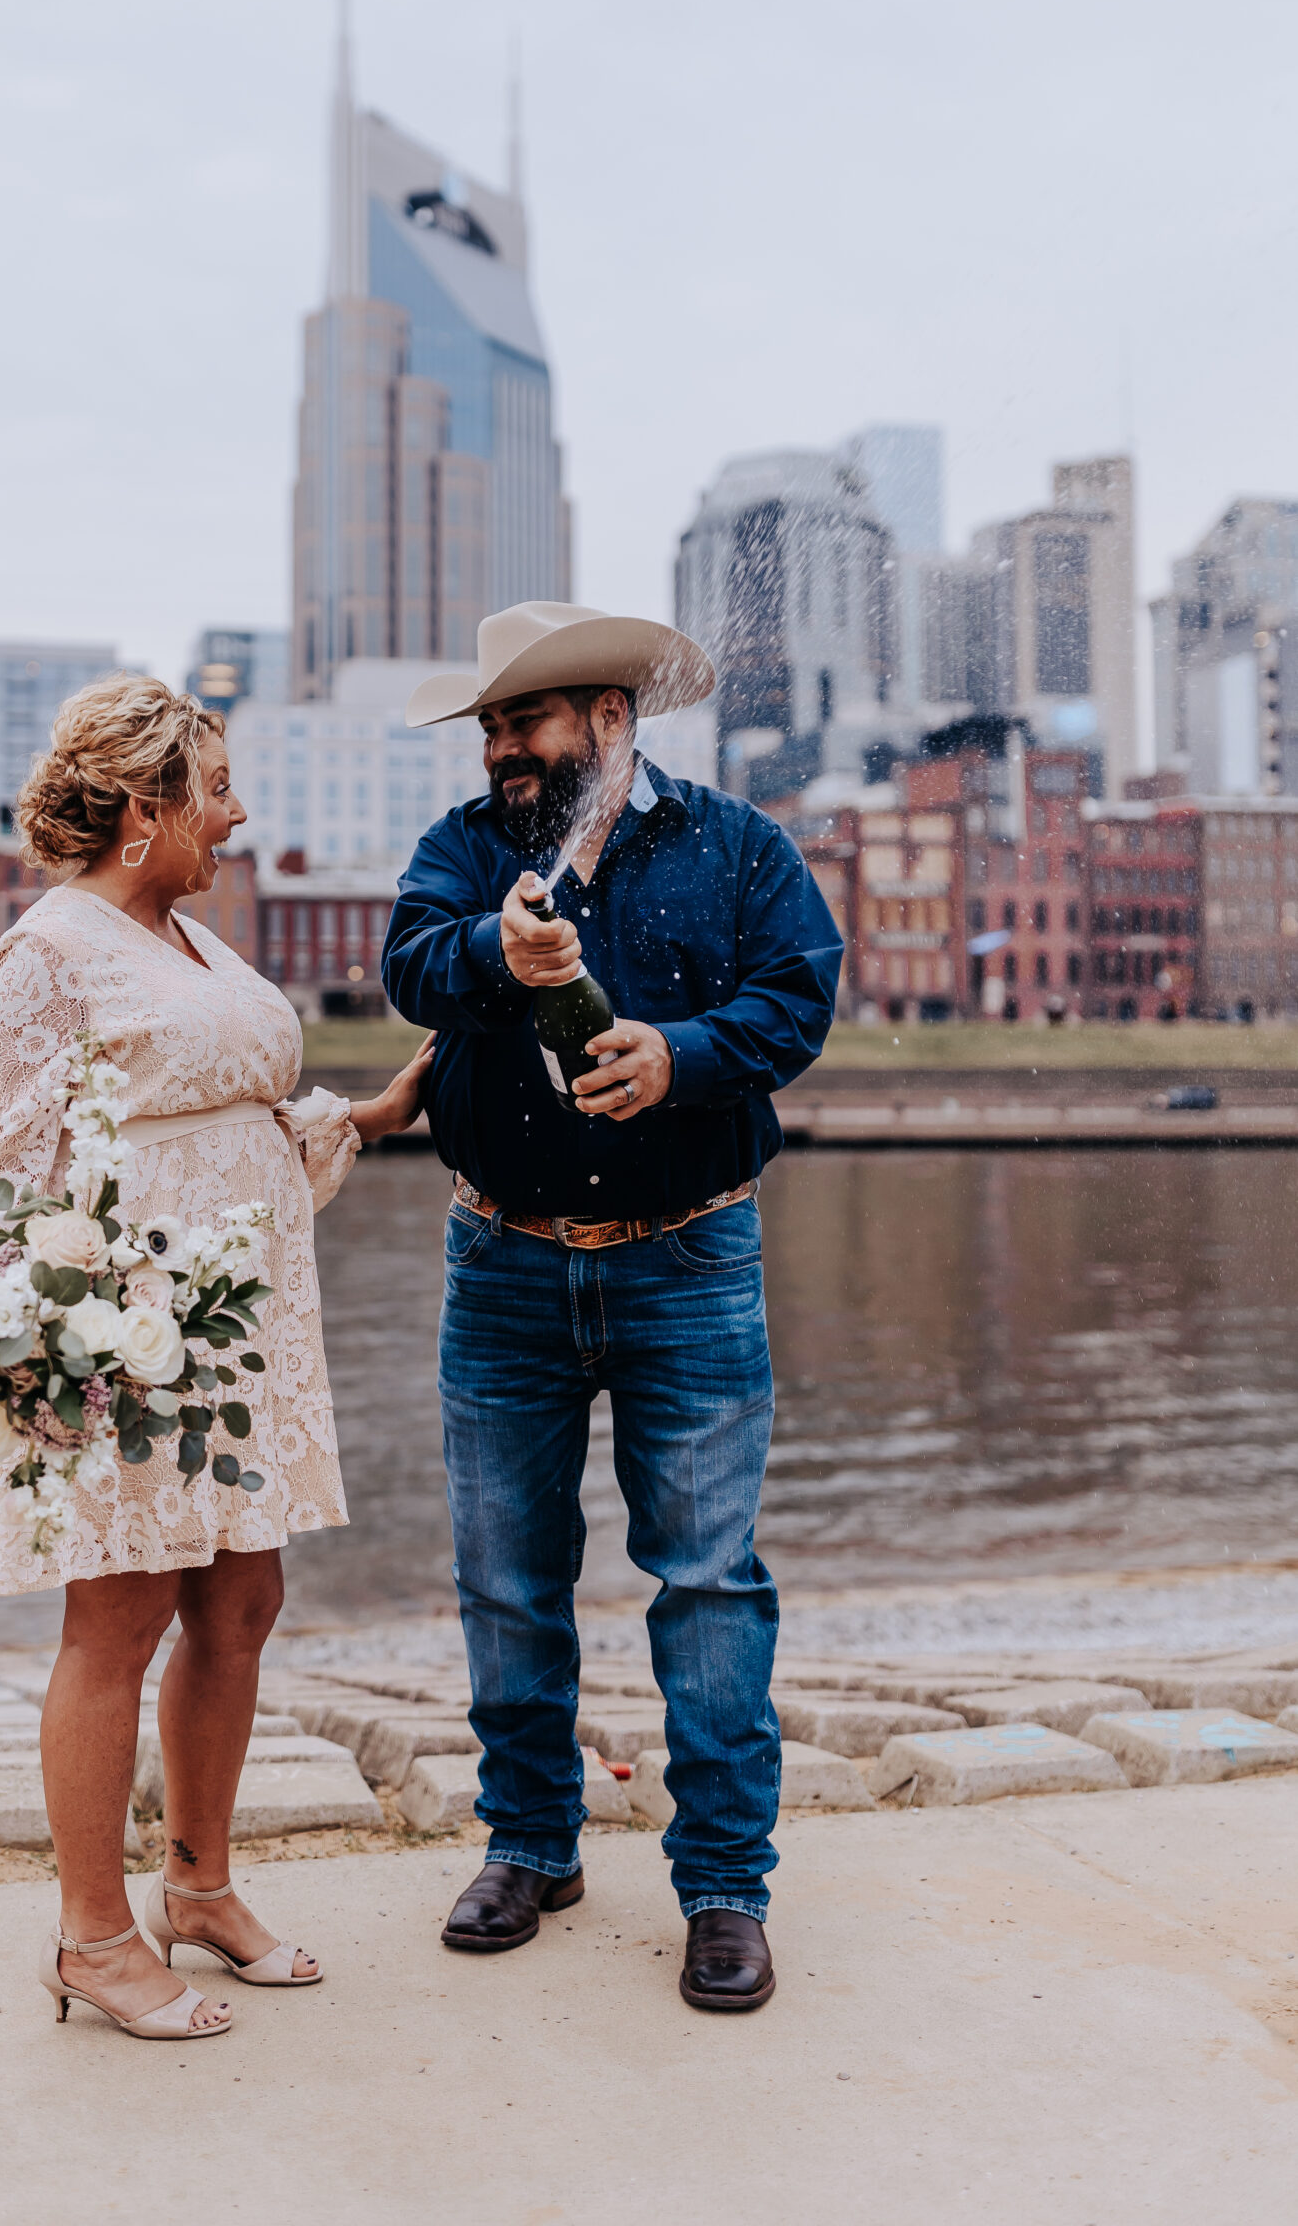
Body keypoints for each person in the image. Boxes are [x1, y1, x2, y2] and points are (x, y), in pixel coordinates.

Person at [0, 674, 432, 2041]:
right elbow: (4, 1167)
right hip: (128, 1335)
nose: (237, 817)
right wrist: (37, 1347)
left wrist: (366, 1115)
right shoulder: (47, 952)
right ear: (146, 808)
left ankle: (199, 1889)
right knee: (119, 1617)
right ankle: (92, 1940)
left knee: (241, 1602)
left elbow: (235, 1117)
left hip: (244, 1326)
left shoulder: (190, 942)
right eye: (214, 794)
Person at [381, 600, 841, 2014]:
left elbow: (802, 996)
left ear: (613, 719)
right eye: (492, 723)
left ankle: (722, 1889)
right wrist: (485, 959)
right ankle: (531, 1845)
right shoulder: (468, 853)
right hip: (503, 1261)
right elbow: (406, 965)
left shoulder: (742, 847)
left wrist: (684, 1056)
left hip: (689, 1260)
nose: (502, 743)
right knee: (506, 1582)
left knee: (706, 1585)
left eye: (526, 718)